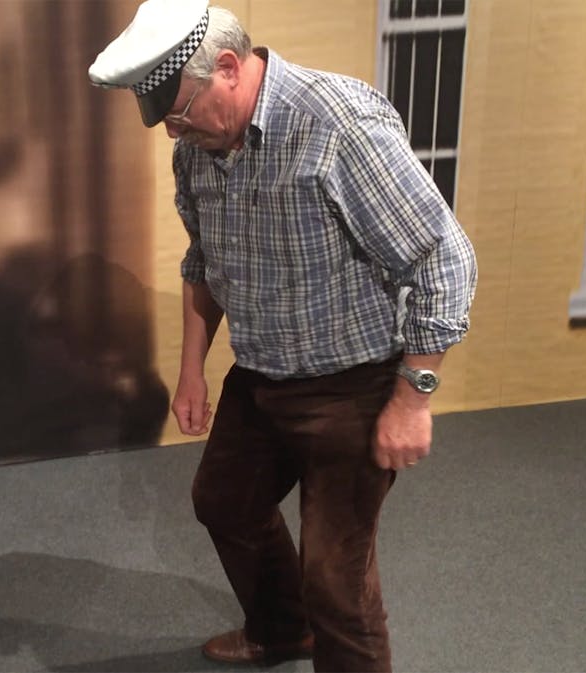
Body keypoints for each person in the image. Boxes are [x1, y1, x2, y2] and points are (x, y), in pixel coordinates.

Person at [89, 1, 477, 671]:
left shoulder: (338, 126)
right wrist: (191, 370)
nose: (173, 133)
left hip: (353, 384)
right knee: (223, 502)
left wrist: (414, 397)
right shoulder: (198, 150)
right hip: (262, 373)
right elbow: (204, 262)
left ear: (229, 68)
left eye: (179, 113)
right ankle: (281, 629)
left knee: (337, 582)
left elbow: (444, 259)